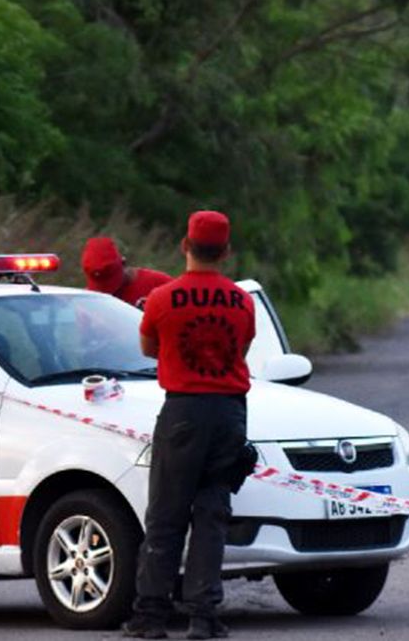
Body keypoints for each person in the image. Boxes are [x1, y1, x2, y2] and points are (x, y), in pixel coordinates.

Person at [124, 210, 255, 640]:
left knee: (165, 515)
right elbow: (242, 347)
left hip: (182, 413)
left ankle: (151, 617)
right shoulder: (242, 301)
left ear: (185, 245)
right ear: (226, 251)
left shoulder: (163, 298)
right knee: (212, 514)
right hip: (230, 414)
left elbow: (149, 349)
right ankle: (204, 617)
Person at [82, 236, 172, 309]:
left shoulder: (159, 284)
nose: (109, 292)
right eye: (100, 286)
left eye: (110, 282)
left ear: (123, 263)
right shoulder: (88, 300)